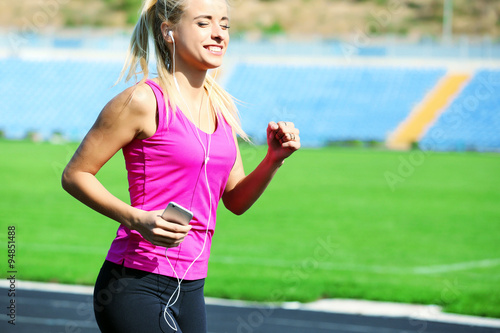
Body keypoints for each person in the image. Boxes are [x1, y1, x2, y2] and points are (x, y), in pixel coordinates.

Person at [61, 0, 300, 332]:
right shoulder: (143, 101)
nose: (219, 34)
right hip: (135, 281)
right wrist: (135, 218)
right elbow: (75, 174)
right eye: (204, 23)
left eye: (225, 25)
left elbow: (235, 201)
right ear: (168, 30)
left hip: (191, 287)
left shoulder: (222, 109)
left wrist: (273, 161)